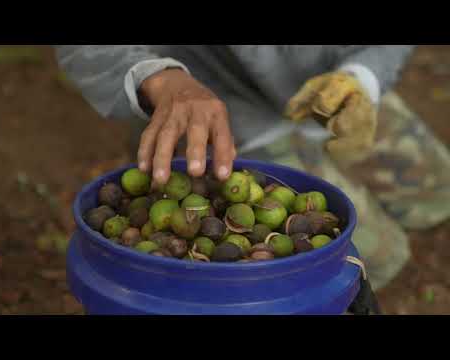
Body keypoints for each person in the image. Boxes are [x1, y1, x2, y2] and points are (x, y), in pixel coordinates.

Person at [54, 45, 450, 290]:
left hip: (328, 78)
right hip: (218, 106)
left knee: (439, 192)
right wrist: (159, 78)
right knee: (376, 257)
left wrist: (362, 78)